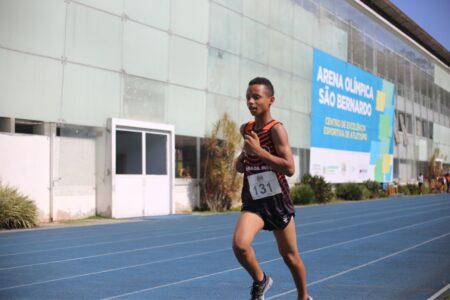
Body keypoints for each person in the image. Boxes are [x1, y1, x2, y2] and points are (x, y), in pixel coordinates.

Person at [233, 77, 312, 300]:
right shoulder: (246, 128)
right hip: (254, 201)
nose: (250, 101)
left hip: (277, 201)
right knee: (240, 245)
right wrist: (243, 157)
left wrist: (259, 152)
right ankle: (261, 279)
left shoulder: (276, 130)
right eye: (248, 97)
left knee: (290, 256)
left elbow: (289, 168)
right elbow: (242, 162)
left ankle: (304, 296)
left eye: (256, 97)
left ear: (270, 100)